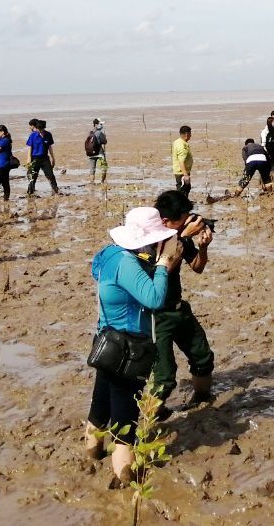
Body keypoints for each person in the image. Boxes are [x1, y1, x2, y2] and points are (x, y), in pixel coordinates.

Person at [85, 206, 181, 484]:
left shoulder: (108, 254)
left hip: (106, 340)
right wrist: (162, 265)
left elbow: (103, 278)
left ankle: (92, 457)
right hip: (129, 349)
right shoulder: (128, 263)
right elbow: (154, 299)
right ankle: (124, 485)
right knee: (125, 422)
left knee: (100, 408)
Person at [149, 191, 216, 414]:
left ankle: (202, 399)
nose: (188, 223)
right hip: (156, 316)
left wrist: (203, 247)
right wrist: (183, 237)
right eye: (183, 219)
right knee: (164, 378)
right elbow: (162, 270)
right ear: (165, 220)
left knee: (203, 357)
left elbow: (197, 267)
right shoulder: (150, 242)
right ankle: (151, 419)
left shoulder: (177, 234)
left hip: (178, 308)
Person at [26, 119, 60, 196]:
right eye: (38, 129)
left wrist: (52, 158)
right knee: (33, 177)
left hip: (45, 158)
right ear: (36, 128)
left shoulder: (48, 135)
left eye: (41, 129)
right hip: (34, 158)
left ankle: (55, 190)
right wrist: (28, 159)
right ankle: (30, 193)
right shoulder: (33, 135)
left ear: (44, 128)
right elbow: (30, 147)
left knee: (50, 175)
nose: (40, 131)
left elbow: (49, 147)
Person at [172, 125, 193, 197]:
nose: (191, 135)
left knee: (185, 189)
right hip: (181, 172)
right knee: (183, 190)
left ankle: (183, 203)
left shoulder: (177, 141)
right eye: (190, 133)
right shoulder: (182, 146)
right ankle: (181, 205)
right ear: (186, 134)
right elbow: (181, 162)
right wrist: (186, 175)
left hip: (179, 171)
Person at [87, 118, 108, 183]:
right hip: (99, 153)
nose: (101, 125)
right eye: (100, 124)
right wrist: (104, 136)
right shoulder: (99, 133)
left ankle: (92, 183)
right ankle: (102, 181)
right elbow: (104, 142)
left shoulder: (90, 133)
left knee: (92, 170)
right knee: (104, 168)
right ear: (96, 125)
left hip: (90, 154)